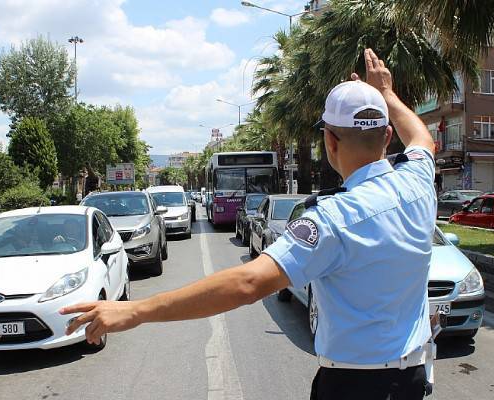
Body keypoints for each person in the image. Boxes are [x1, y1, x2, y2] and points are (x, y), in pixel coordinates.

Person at [61, 49, 436, 399]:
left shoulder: (335, 217)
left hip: (355, 384)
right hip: (413, 378)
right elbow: (421, 138)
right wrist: (387, 94)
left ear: (329, 143)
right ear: (387, 136)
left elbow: (247, 282)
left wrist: (135, 310)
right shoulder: (418, 182)